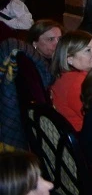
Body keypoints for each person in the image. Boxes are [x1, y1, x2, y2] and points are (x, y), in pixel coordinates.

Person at [0, 20, 63, 149]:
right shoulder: (36, 68)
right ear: (35, 44)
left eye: (60, 39)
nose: (57, 44)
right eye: (51, 39)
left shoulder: (46, 62)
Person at [50, 31, 92, 131]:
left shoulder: (66, 76)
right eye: (88, 50)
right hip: (86, 134)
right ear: (70, 59)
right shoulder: (78, 83)